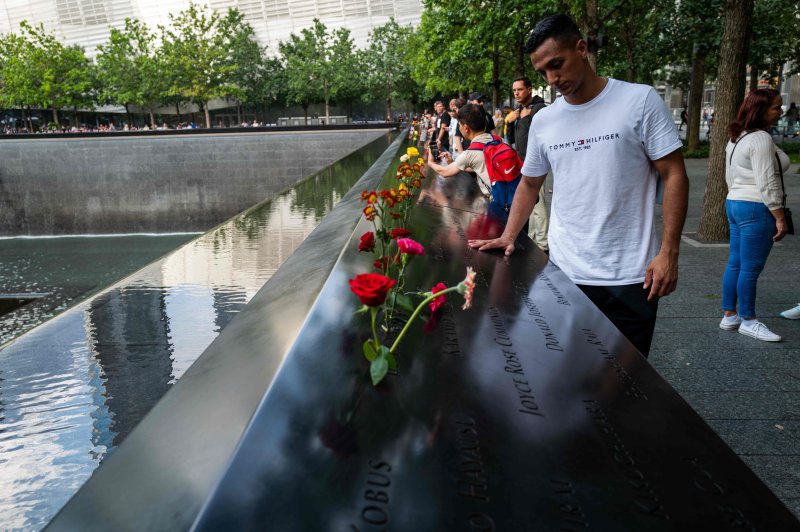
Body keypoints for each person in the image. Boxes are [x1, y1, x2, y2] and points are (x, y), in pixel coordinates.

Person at [468, 13, 689, 358]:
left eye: (557, 64)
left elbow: (674, 174)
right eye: (542, 72)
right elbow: (529, 183)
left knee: (624, 386)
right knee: (568, 380)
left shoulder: (640, 100)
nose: (552, 78)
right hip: (564, 273)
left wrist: (669, 253)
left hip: (630, 277)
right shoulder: (545, 120)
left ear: (582, 48)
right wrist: (510, 235)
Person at [719, 88, 789, 342]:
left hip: (735, 202)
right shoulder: (760, 139)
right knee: (749, 268)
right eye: (776, 107)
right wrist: (779, 216)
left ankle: (730, 315)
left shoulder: (738, 136)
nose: (781, 112)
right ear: (760, 110)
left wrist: (734, 195)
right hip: (756, 206)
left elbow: (729, 175)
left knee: (736, 263)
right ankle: (748, 320)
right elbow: (767, 181)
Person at [426, 103, 526, 231]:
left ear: (466, 128)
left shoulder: (470, 153)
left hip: (500, 207)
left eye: (460, 125)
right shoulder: (497, 140)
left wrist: (430, 162)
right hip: (518, 199)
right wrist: (453, 162)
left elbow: (444, 172)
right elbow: (480, 166)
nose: (459, 128)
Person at [506, 76, 549, 253]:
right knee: (529, 204)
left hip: (537, 163)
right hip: (522, 162)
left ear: (529, 89)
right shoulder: (520, 110)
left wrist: (524, 120)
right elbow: (513, 140)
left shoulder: (539, 109)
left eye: (520, 89)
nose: (516, 93)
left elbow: (533, 138)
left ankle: (543, 244)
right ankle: (532, 239)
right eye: (514, 90)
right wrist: (510, 123)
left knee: (538, 205)